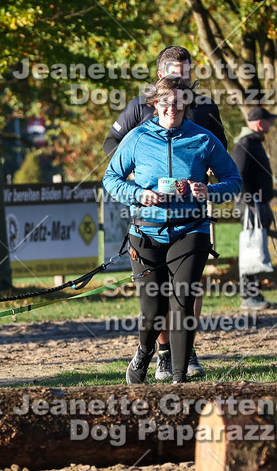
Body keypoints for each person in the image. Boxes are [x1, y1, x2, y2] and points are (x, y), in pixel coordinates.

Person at [103, 77, 241, 384]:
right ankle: (143, 352)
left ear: (187, 105)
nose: (172, 108)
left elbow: (233, 180)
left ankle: (180, 380)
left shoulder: (203, 139)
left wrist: (209, 190)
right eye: (166, 102)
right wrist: (139, 194)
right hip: (147, 232)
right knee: (154, 309)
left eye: (179, 103)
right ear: (154, 104)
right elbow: (111, 179)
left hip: (190, 230)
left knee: (183, 299)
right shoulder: (137, 138)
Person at [233, 106, 277, 310]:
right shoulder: (246, 144)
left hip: (257, 203)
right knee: (251, 247)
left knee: (257, 247)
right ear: (259, 123)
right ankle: (248, 296)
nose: (270, 124)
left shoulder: (254, 143)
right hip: (250, 205)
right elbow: (239, 174)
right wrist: (250, 201)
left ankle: (254, 293)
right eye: (268, 121)